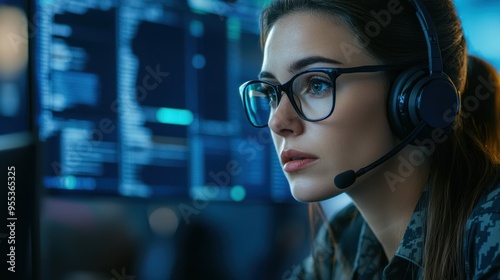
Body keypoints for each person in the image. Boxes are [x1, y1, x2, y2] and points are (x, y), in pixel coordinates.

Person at [238, 0, 500, 279]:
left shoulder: (492, 228)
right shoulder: (344, 239)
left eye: (317, 84)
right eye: (270, 95)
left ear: (415, 98)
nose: (277, 122)